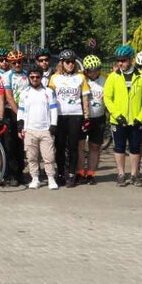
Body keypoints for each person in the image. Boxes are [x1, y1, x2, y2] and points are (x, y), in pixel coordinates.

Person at [103, 45, 142, 187]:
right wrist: (117, 115)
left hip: (136, 119)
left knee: (135, 147)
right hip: (119, 120)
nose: (120, 63)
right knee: (119, 147)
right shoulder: (113, 77)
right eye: (118, 61)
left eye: (123, 60)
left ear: (131, 60)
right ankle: (121, 174)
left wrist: (140, 117)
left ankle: (135, 174)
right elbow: (107, 98)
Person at [48, 49, 90, 187]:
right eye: (67, 62)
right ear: (62, 63)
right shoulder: (54, 78)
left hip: (75, 115)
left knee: (73, 146)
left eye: (73, 62)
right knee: (59, 146)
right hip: (59, 116)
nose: (70, 64)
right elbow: (49, 98)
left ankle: (72, 174)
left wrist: (86, 116)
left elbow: (84, 98)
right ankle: (60, 173)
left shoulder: (80, 77)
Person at [18, 66, 59, 190]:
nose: (35, 79)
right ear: (29, 77)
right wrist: (20, 126)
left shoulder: (48, 92)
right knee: (31, 157)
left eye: (37, 77)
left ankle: (51, 178)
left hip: (45, 130)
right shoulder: (24, 93)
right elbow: (21, 111)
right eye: (32, 77)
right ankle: (35, 178)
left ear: (41, 77)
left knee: (49, 156)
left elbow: (53, 109)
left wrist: (53, 125)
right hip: (30, 130)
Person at [0, 51, 29, 184]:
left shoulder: (27, 74)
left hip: (26, 112)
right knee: (10, 143)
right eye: (14, 62)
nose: (17, 64)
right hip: (11, 112)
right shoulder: (7, 76)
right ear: (10, 63)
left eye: (19, 62)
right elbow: (9, 97)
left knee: (21, 144)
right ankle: (12, 174)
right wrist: (19, 114)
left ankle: (20, 173)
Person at [80, 55, 106, 184]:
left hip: (99, 118)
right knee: (80, 146)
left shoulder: (105, 79)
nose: (94, 72)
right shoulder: (81, 79)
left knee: (95, 146)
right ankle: (79, 172)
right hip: (83, 118)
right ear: (85, 70)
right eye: (91, 70)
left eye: (97, 69)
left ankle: (90, 173)